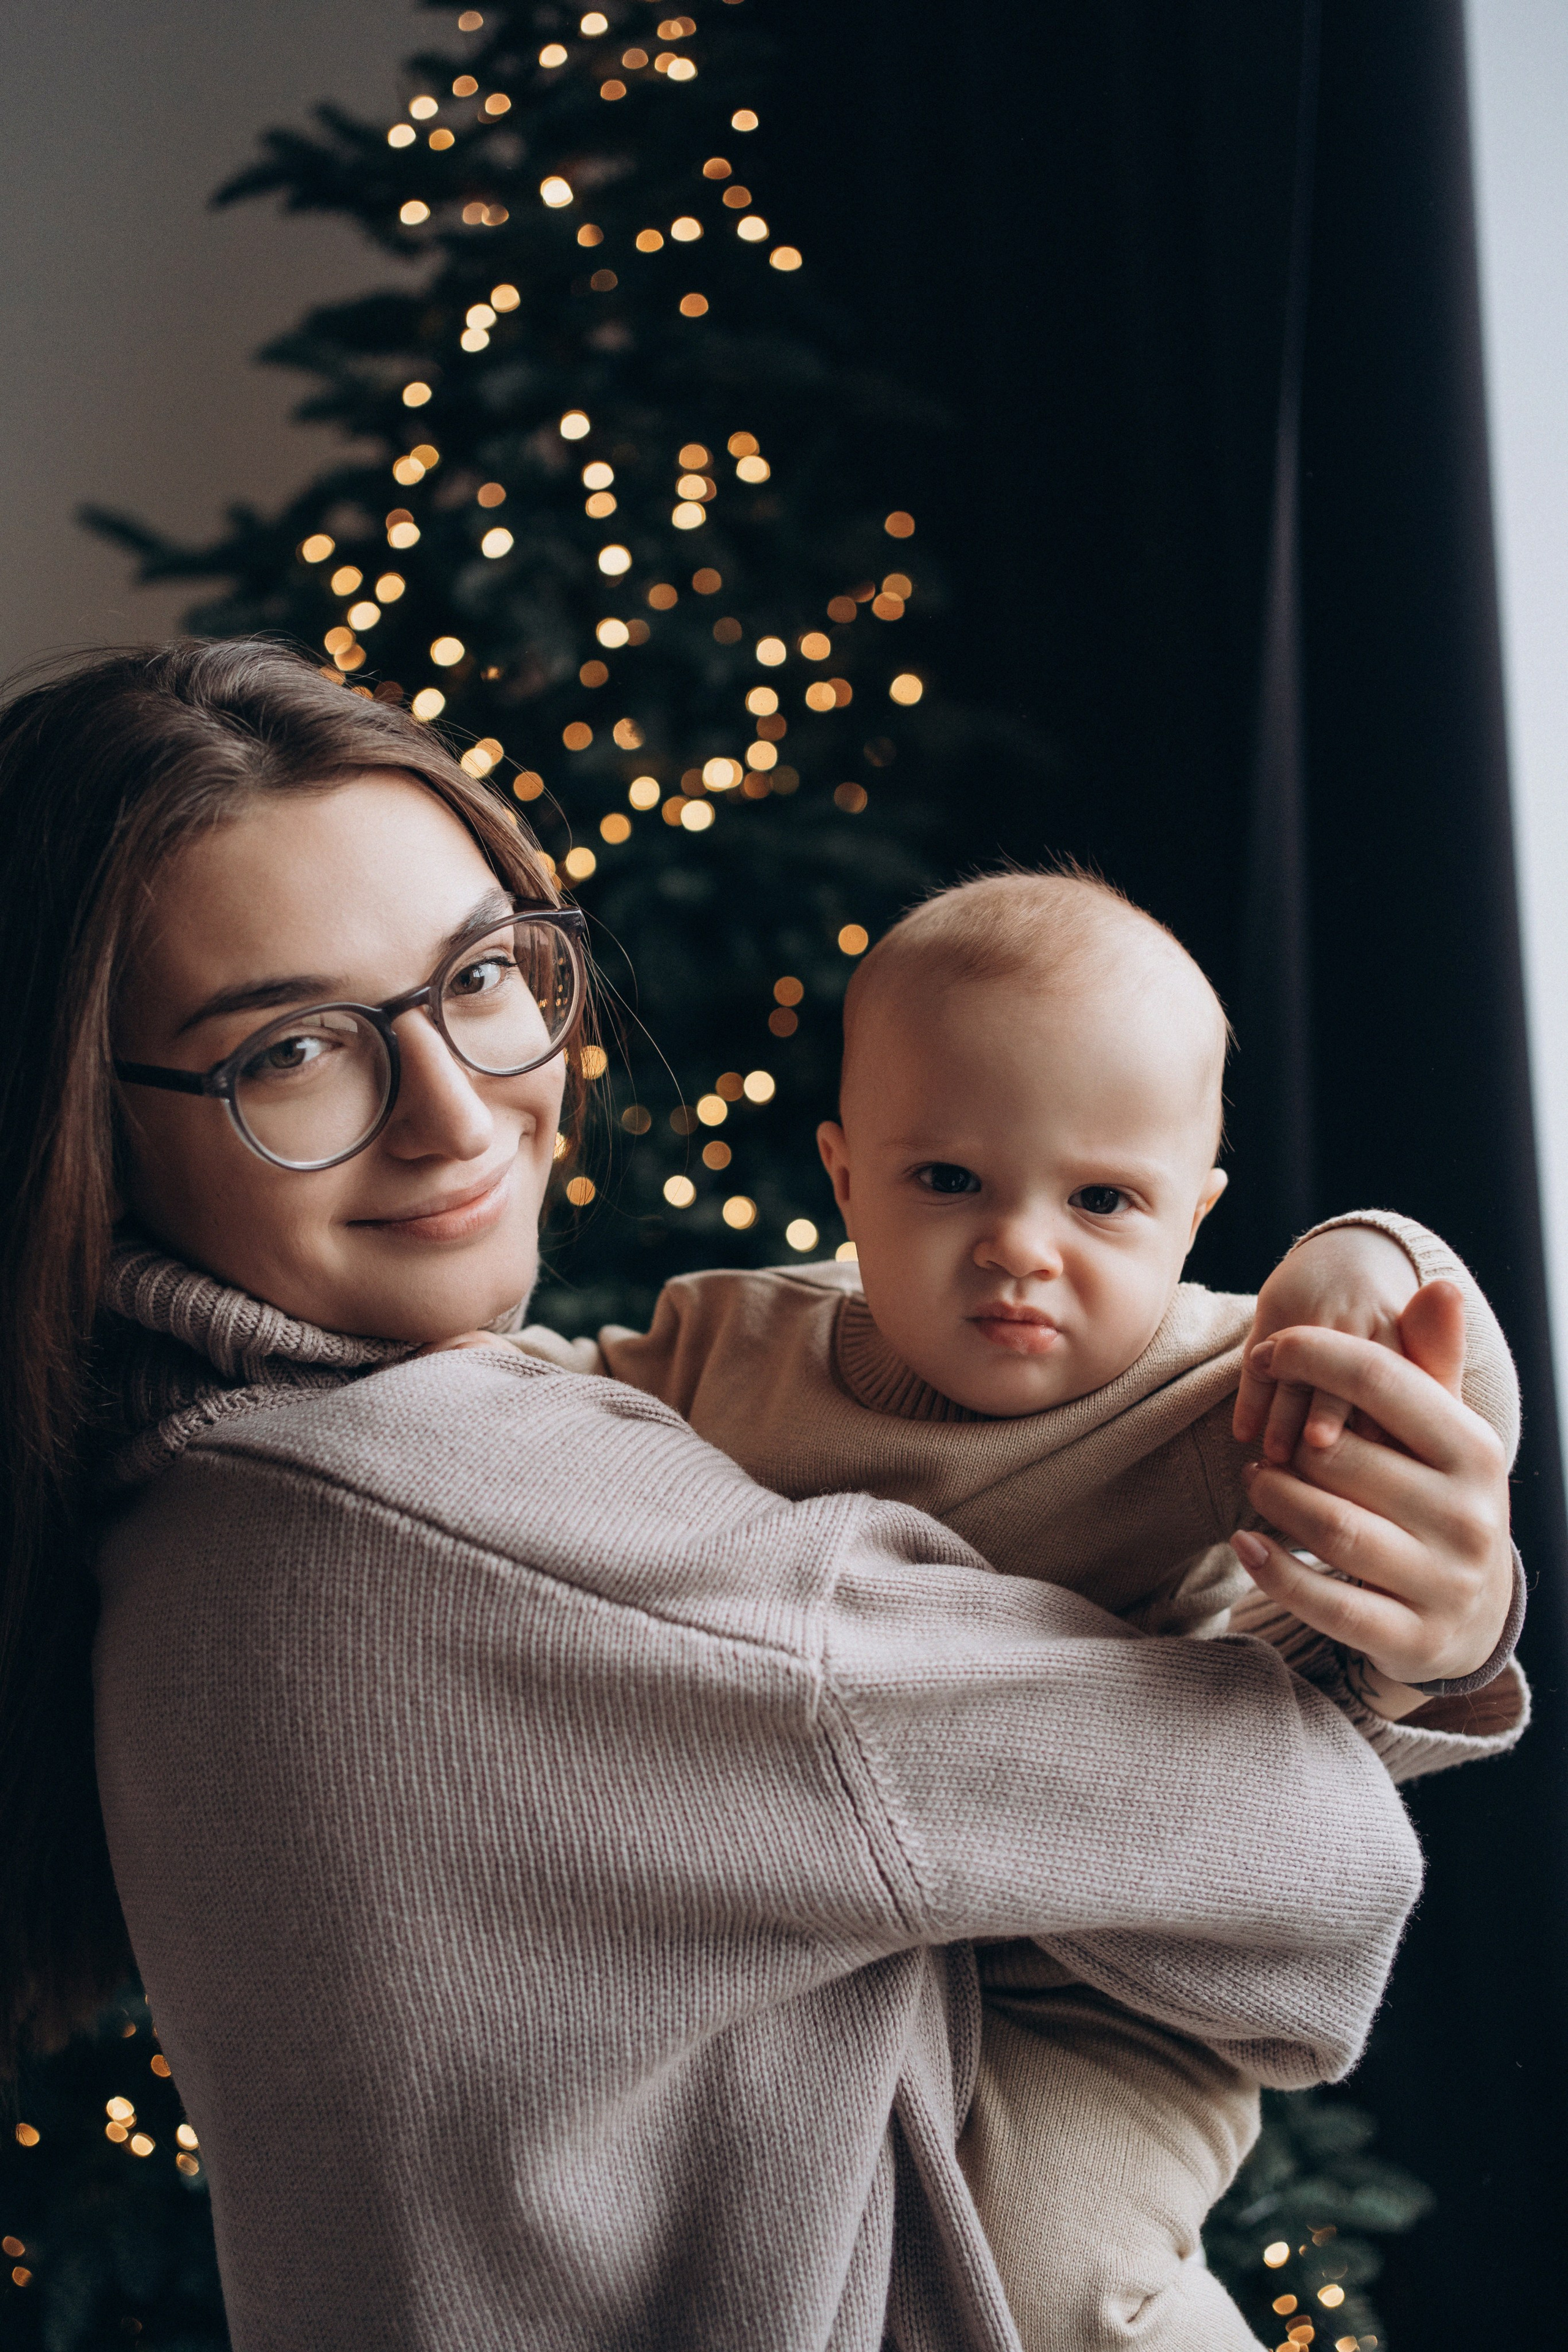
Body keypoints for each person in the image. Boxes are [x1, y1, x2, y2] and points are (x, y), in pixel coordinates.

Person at [0, 642, 1520, 2352]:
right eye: (289, 1051)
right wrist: (1420, 1644)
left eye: (484, 974)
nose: (455, 1111)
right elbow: (1309, 1854)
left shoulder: (169, 1512)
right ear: (86, 1124)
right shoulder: (445, 1516)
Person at [491, 871, 1525, 2350]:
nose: (1019, 1247)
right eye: (946, 1181)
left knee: (1057, 2285)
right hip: (821, 1939)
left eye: (1102, 1200)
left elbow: (1443, 1393)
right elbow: (511, 1414)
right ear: (844, 1179)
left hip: (1101, 1983)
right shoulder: (732, 1347)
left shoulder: (1215, 1385)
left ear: (1194, 1213)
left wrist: (1364, 1259)